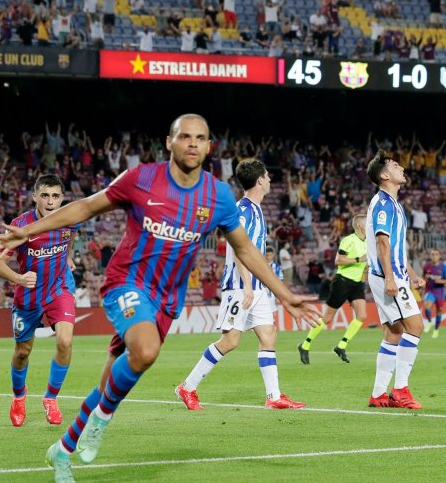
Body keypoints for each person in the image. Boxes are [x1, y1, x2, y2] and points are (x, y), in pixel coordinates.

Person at [0, 114, 319, 483]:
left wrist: (285, 294)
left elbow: (246, 249)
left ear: (209, 147)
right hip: (125, 283)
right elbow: (86, 207)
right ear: (169, 142)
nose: (192, 143)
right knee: (145, 351)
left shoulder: (218, 196)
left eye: (200, 138)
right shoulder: (141, 178)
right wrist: (27, 231)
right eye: (185, 136)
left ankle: (62, 450)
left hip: (167, 298)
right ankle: (102, 419)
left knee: (109, 382)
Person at [176, 159, 306, 411]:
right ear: (260, 180)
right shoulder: (243, 210)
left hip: (257, 287)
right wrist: (247, 284)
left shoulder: (256, 209)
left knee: (268, 335)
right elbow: (239, 249)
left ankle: (273, 396)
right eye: (268, 176)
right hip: (239, 286)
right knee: (230, 341)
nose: (270, 180)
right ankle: (187, 387)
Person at [0, 174, 78, 427]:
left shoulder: (70, 218)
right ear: (35, 197)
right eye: (45, 195)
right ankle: (19, 396)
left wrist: (67, 257)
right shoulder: (21, 226)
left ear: (62, 198)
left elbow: (70, 237)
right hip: (28, 296)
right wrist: (18, 278)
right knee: (22, 352)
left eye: (56, 196)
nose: (50, 201)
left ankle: (51, 398)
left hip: (59, 289)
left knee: (65, 341)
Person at [365, 150, 426, 409]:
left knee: (393, 332)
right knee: (416, 326)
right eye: (394, 165)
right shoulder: (383, 204)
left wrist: (411, 273)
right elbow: (382, 242)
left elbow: (396, 246)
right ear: (384, 176)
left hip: (392, 274)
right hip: (386, 276)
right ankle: (400, 389)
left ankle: (379, 394)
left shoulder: (393, 203)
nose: (401, 167)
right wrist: (391, 278)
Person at [298, 215, 368, 364]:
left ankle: (341, 346)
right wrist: (358, 259)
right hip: (343, 281)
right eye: (368, 223)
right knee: (327, 318)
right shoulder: (348, 240)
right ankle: (305, 345)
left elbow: (365, 263)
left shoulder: (368, 242)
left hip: (357, 283)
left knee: (362, 315)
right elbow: (338, 260)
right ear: (360, 226)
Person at [421, 249, 446, 338]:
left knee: (439, 311)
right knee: (427, 307)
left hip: (440, 291)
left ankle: (436, 329)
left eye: (436, 254)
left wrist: (440, 281)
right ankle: (429, 322)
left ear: (439, 256)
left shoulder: (443, 267)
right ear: (430, 256)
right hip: (430, 290)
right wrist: (423, 283)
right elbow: (423, 276)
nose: (434, 256)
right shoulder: (426, 266)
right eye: (432, 254)